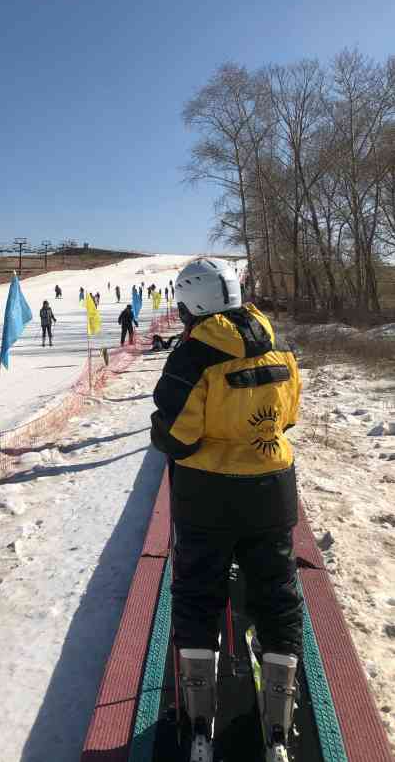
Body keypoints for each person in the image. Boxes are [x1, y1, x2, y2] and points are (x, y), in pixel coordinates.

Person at [149, 258, 302, 760]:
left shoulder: (194, 354)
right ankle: (279, 720)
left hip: (208, 496)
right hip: (272, 488)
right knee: (277, 591)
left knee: (198, 592)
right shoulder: (275, 340)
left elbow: (175, 435)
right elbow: (289, 415)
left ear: (192, 301)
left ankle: (198, 721)